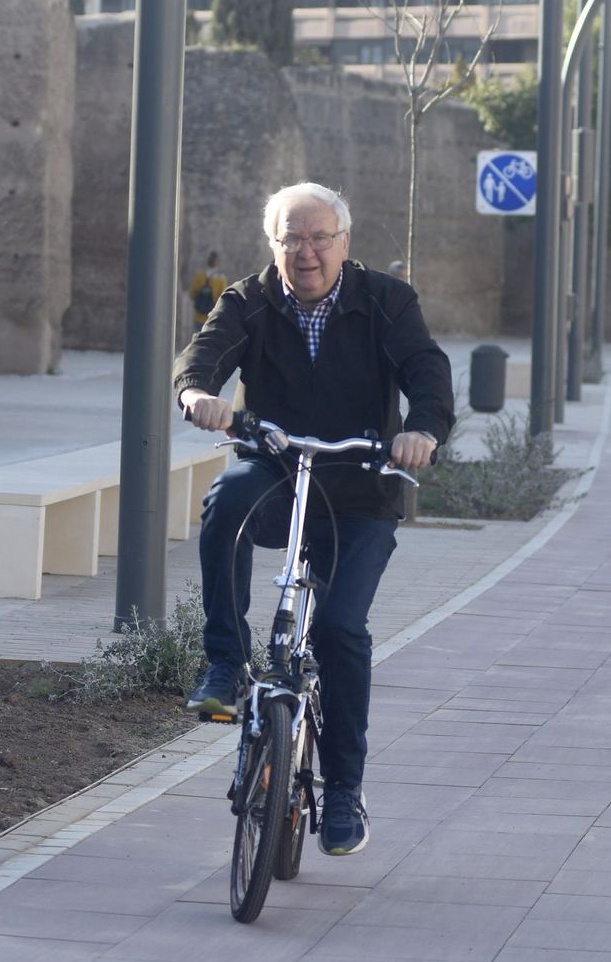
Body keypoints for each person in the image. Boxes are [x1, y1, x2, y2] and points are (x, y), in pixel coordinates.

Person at [174, 181, 454, 857]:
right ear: (274, 244)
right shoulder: (250, 299)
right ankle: (222, 663)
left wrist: (422, 432)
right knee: (224, 507)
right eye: (291, 239)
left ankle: (343, 793)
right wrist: (197, 393)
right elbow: (203, 355)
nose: (306, 253)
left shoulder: (387, 301)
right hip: (276, 469)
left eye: (318, 238)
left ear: (343, 243)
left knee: (339, 630)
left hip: (361, 489)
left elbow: (427, 372)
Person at [187, 250, 228, 332]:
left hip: (199, 316)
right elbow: (223, 299)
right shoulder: (221, 279)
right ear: (218, 263)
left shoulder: (200, 276)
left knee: (198, 341)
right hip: (213, 318)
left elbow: (192, 294)